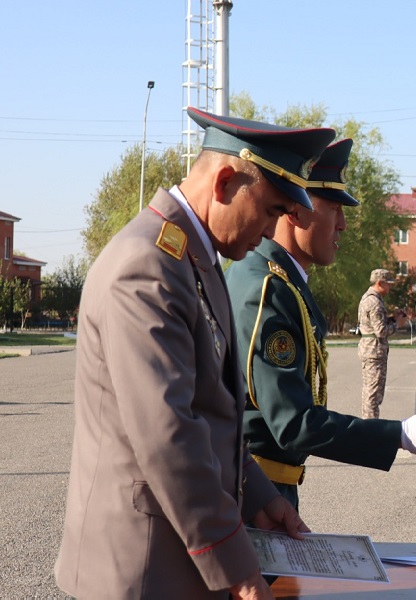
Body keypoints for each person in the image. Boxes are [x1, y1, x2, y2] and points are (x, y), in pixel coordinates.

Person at [55, 107, 336, 600]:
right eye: (270, 211)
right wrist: (238, 568)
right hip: (141, 569)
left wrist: (262, 498)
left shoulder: (194, 259)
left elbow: (213, 411)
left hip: (171, 559)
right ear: (225, 181)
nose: (271, 233)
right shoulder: (147, 266)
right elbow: (170, 435)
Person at [225, 139, 416, 509]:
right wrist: (399, 435)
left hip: (265, 489)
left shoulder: (275, 281)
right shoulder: (268, 288)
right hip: (255, 498)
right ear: (295, 209)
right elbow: (292, 424)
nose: (342, 225)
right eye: (334, 209)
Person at [357, 268, 407, 418]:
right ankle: (370, 428)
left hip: (371, 350)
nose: (390, 287)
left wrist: (392, 318)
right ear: (380, 283)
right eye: (388, 284)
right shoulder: (374, 302)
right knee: (372, 394)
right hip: (374, 351)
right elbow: (381, 331)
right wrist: (398, 324)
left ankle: (369, 426)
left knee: (372, 391)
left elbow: (374, 323)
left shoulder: (370, 298)